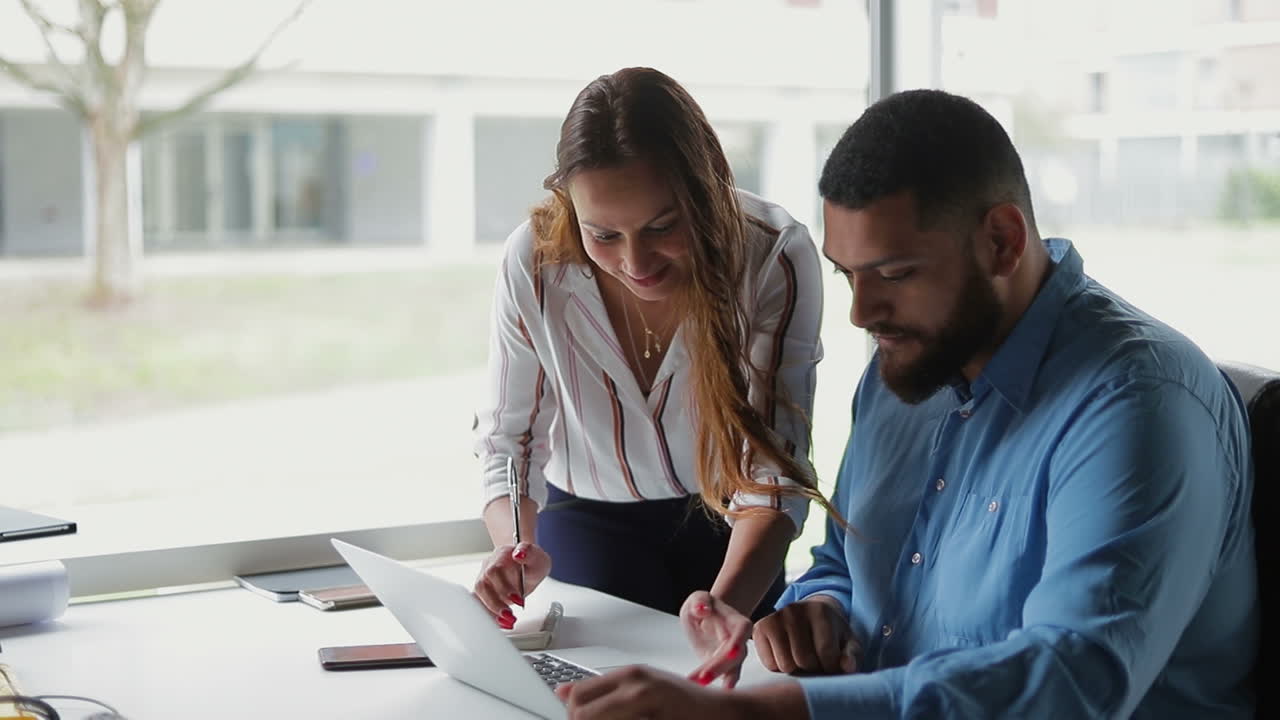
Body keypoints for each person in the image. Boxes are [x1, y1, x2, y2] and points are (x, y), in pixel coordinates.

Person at [556, 89, 1259, 718]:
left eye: (894, 273)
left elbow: (1071, 683)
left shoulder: (1139, 407)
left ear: (1002, 241)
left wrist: (770, 712)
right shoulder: (910, 369)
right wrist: (816, 609)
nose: (863, 313)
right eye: (848, 275)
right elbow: (842, 561)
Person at [471, 67, 836, 659]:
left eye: (662, 227)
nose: (635, 261)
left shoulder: (774, 256)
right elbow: (510, 436)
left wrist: (725, 609)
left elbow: (773, 469)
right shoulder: (533, 263)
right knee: (602, 681)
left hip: (734, 527)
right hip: (587, 520)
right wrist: (514, 546)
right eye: (603, 234)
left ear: (708, 188)